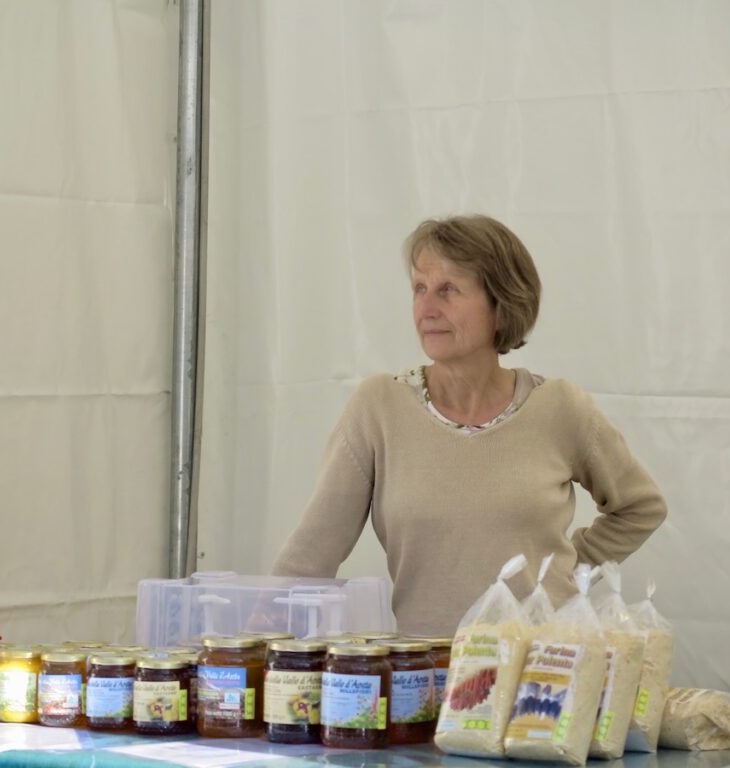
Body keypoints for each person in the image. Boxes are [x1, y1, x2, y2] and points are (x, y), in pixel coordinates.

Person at [271, 214, 667, 635]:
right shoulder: (378, 407)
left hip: (543, 673)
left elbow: (639, 508)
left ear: (502, 305)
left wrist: (564, 572)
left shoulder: (560, 407)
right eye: (419, 289)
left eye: (448, 290)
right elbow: (312, 554)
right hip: (427, 675)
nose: (426, 308)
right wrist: (263, 625)